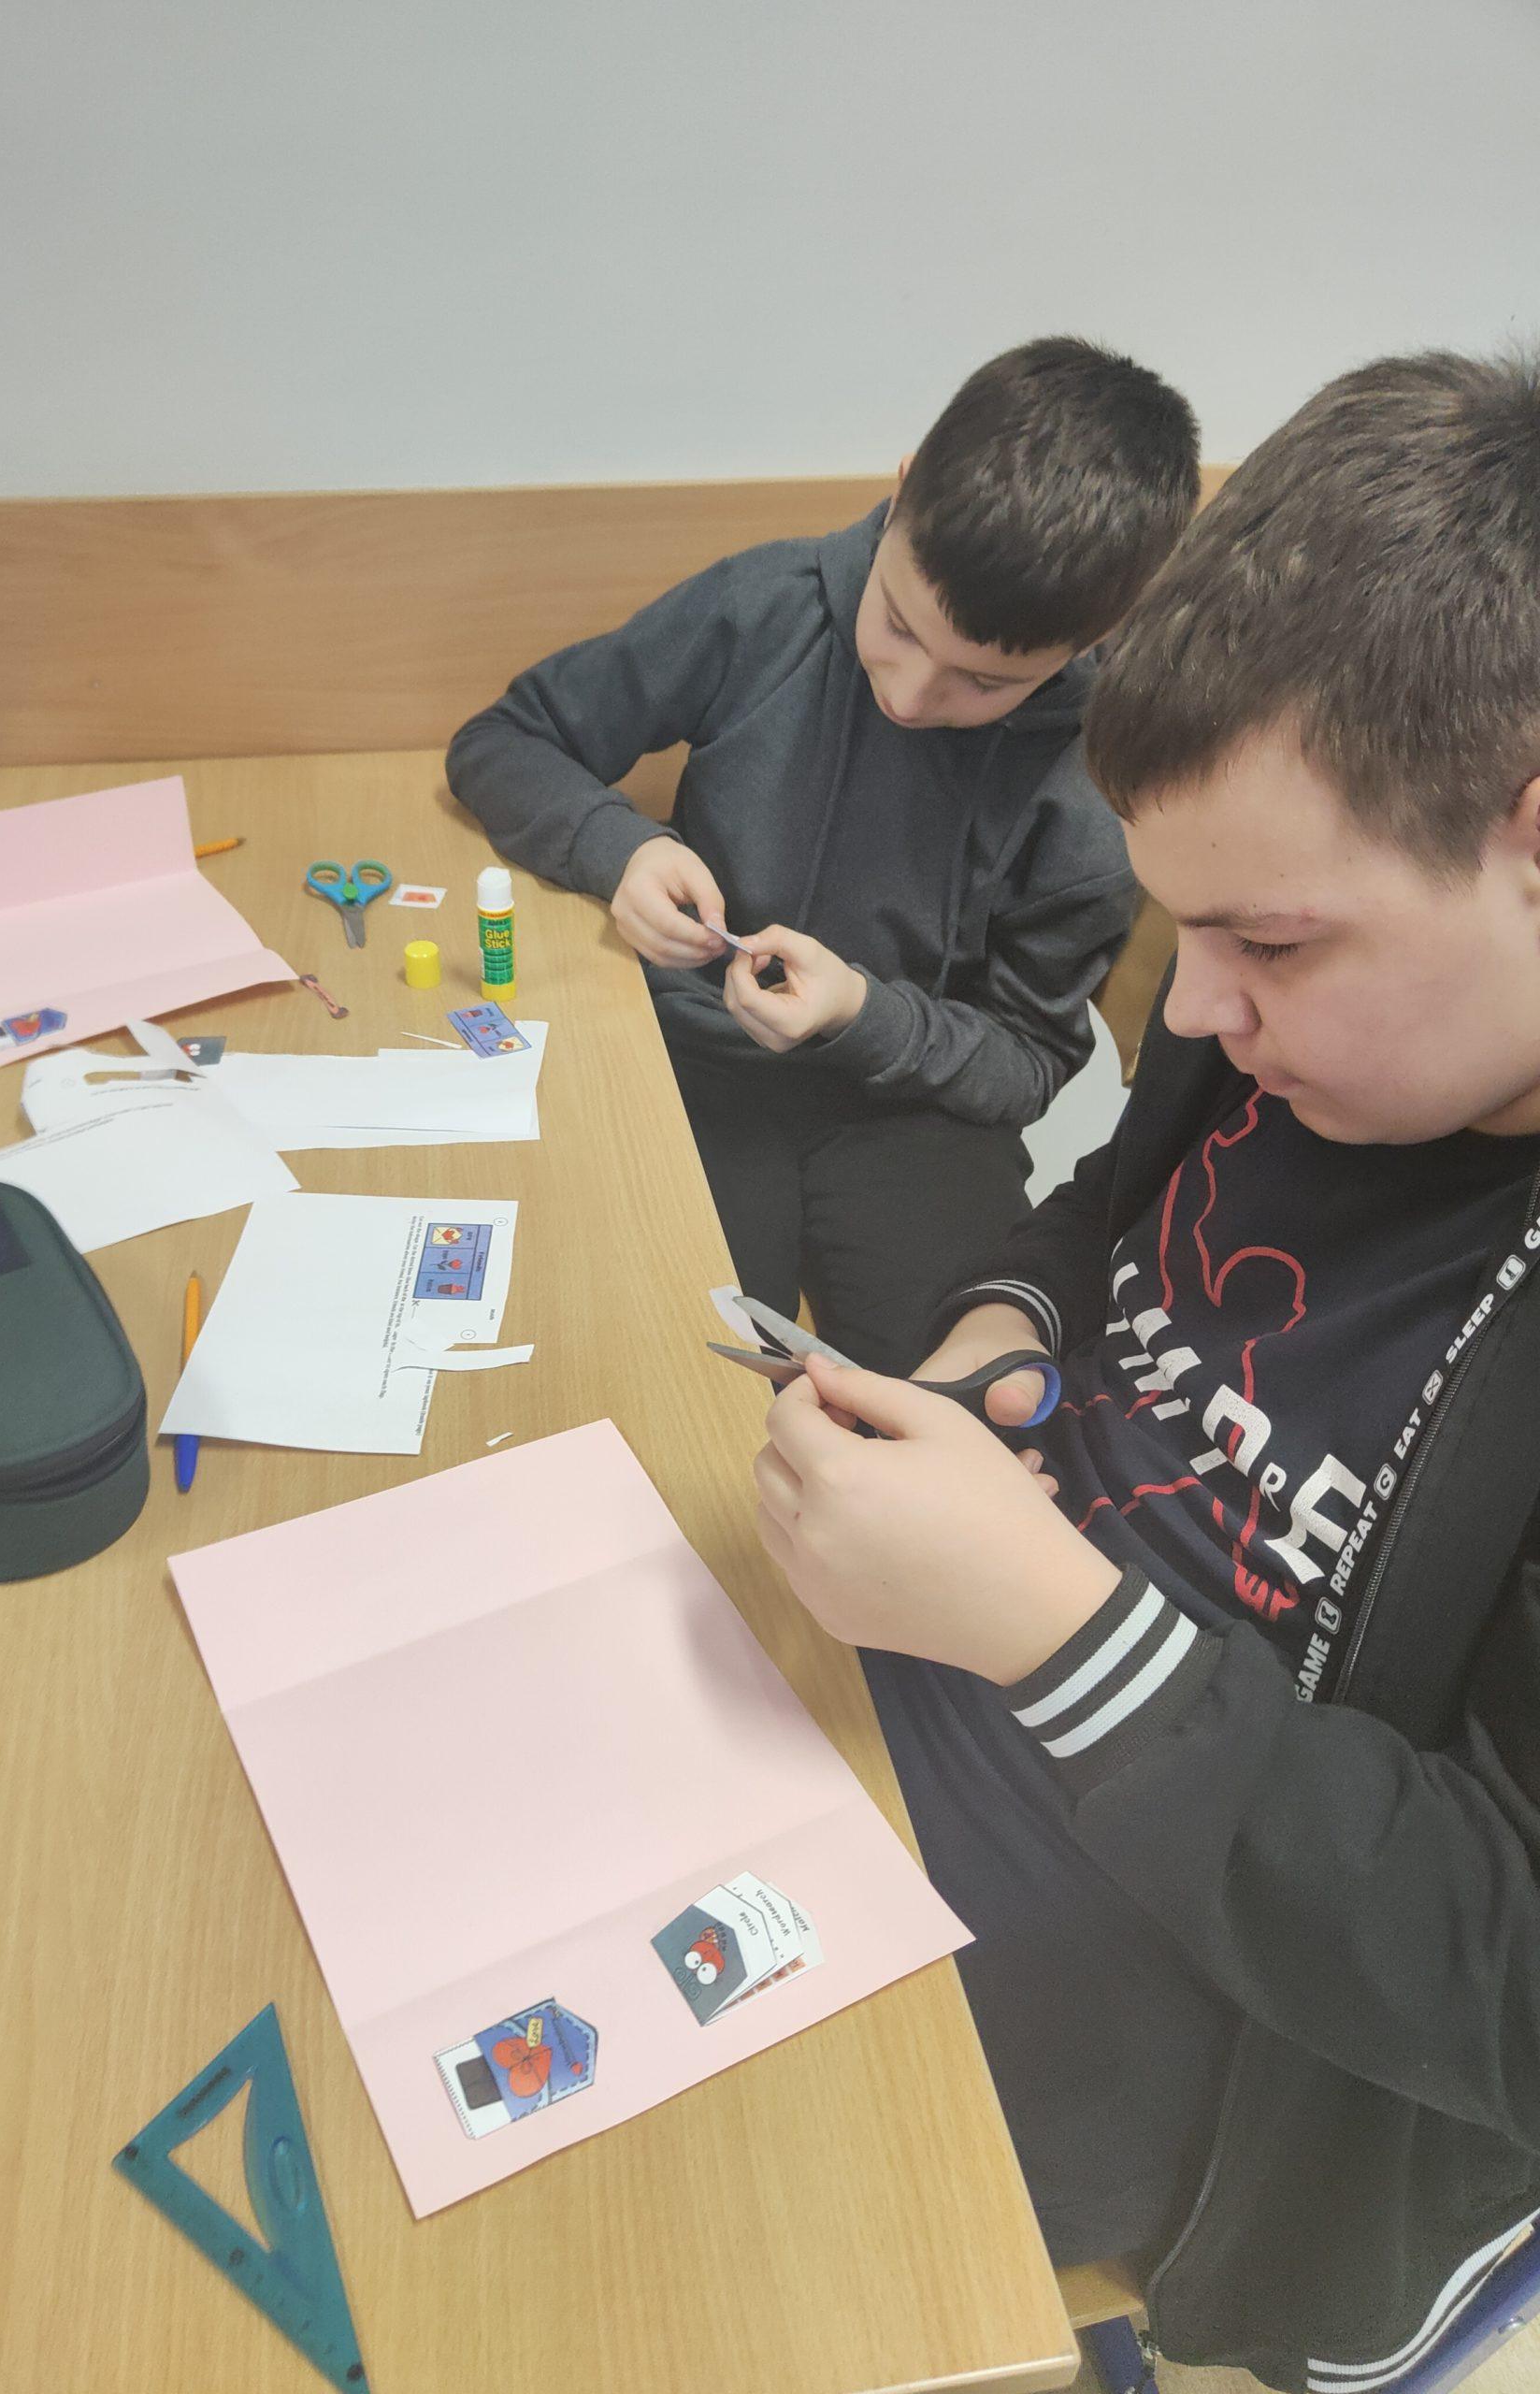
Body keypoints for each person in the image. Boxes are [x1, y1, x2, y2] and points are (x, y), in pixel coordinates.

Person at [750, 349, 1540, 2390]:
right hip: (952, 1695)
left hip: (1250, 2047)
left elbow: (1503, 1973)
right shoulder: (1281, 1028)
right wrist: (1001, 1332)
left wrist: (1050, 1624)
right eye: (1181, 933)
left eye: (1267, 944)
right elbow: (1108, 1205)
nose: (1187, 1011)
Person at [448, 339, 1200, 1369]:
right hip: (695, 1067)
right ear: (903, 493)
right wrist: (621, 851)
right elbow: (503, 741)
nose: (911, 696)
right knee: (667, 1364)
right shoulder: (766, 607)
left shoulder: (1100, 776)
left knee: (960, 1398)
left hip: (918, 1111)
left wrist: (859, 1013)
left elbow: (1025, 1062)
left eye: (985, 682)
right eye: (899, 625)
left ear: (1096, 635)